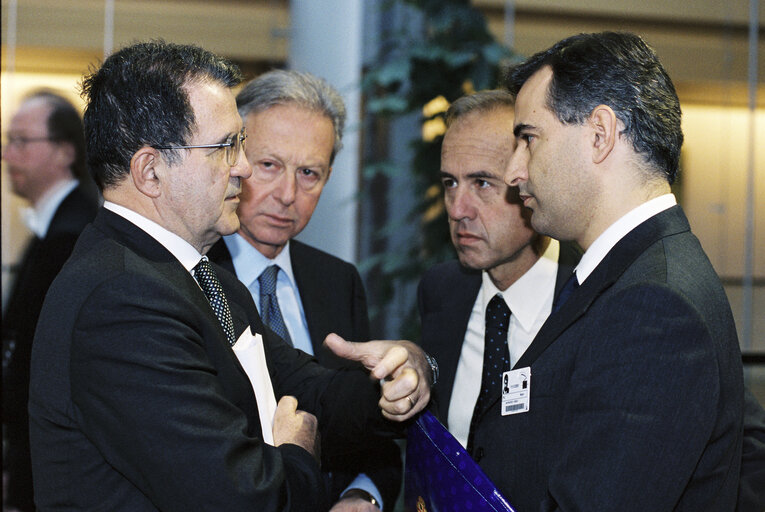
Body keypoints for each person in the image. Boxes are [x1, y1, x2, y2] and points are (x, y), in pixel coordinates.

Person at [28, 40, 432, 512]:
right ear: (150, 171)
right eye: (225, 147)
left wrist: (401, 377)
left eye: (239, 144)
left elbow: (307, 387)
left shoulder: (192, 274)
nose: (242, 168)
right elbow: (240, 497)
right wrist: (296, 452)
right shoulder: (122, 300)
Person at [496, 31, 743, 510]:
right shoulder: (637, 275)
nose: (513, 171)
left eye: (529, 139)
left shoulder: (655, 306)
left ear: (600, 134)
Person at [208, 70, 400, 511]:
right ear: (233, 159)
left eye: (309, 173)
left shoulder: (338, 281)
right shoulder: (194, 276)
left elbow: (366, 430)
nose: (287, 194)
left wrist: (362, 496)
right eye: (269, 165)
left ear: (329, 177)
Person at [417, 90, 580, 451]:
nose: (458, 209)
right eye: (450, 183)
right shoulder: (441, 290)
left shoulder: (591, 298)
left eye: (482, 183)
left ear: (530, 180)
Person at [1, 90, 99, 512]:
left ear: (63, 152)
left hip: (54, 469)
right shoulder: (56, 227)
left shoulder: (71, 236)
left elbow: (44, 367)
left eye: (21, 141)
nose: (7, 154)